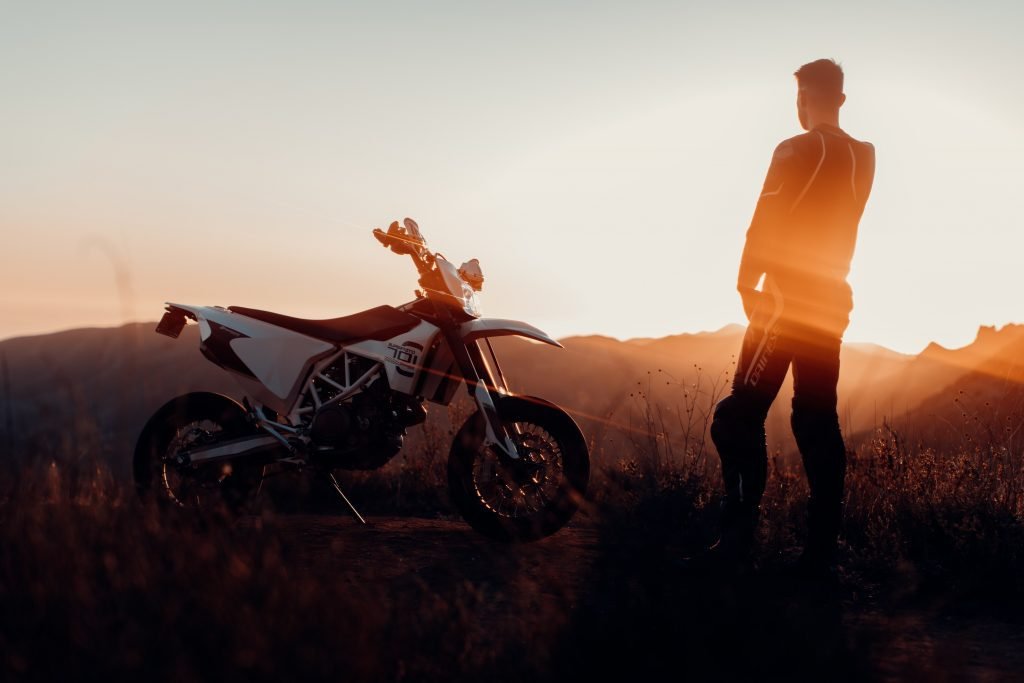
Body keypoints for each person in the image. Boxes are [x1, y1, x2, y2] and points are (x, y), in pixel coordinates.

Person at [708, 59, 876, 573]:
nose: (798, 106)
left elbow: (767, 216)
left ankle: (737, 542)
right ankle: (820, 554)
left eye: (800, 96)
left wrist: (745, 282)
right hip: (832, 301)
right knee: (816, 420)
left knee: (737, 418)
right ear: (842, 100)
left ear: (805, 99)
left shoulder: (794, 148)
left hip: (784, 303)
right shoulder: (865, 156)